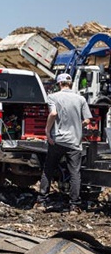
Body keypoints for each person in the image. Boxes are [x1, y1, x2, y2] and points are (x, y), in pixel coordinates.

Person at [37, 72, 91, 213]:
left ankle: (42, 201)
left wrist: (47, 131)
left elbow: (53, 114)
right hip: (74, 142)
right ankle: (74, 205)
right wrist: (78, 126)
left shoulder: (53, 97)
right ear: (70, 83)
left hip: (58, 141)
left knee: (48, 169)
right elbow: (87, 120)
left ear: (59, 84)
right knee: (75, 173)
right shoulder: (80, 99)